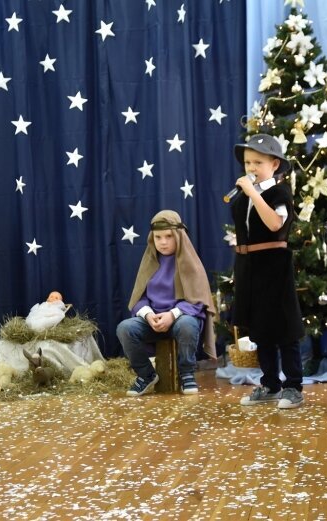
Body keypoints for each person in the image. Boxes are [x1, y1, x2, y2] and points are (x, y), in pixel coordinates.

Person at [231, 134, 305, 409]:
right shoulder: (243, 197)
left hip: (274, 265)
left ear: (274, 165)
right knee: (259, 327)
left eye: (258, 162)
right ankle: (270, 383)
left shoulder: (278, 193)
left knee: (283, 326)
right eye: (248, 162)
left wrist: (254, 193)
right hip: (249, 267)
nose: (251, 167)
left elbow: (275, 223)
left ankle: (293, 385)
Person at [117, 210, 216, 396]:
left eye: (168, 236)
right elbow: (140, 297)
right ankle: (146, 374)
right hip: (153, 319)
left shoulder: (189, 262)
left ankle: (186, 372)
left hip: (181, 319)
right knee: (125, 328)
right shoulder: (149, 262)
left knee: (188, 324)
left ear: (179, 236)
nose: (163, 242)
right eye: (158, 237)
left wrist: (172, 315)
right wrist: (148, 314)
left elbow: (198, 299)